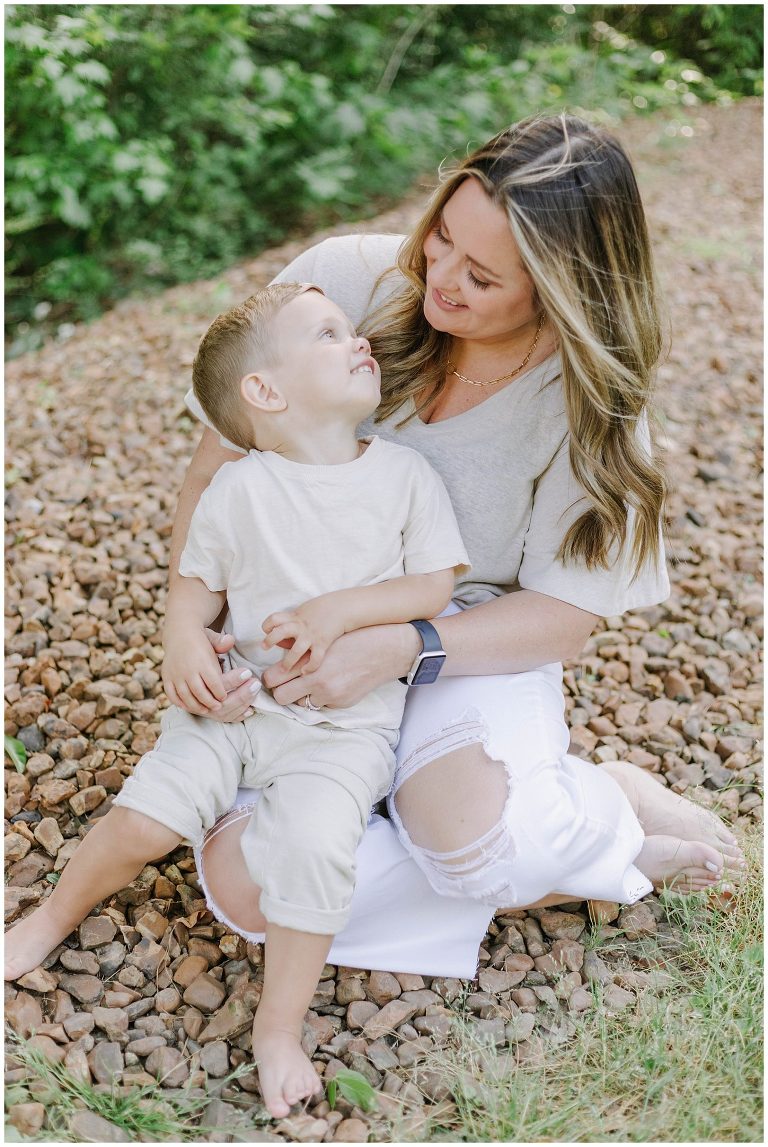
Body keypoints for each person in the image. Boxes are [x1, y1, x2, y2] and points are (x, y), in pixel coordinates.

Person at [179, 114, 745, 975]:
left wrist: (401, 647)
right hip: (290, 635)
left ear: (561, 291)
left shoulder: (595, 404)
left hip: (458, 641)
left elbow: (562, 615)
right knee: (248, 888)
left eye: (480, 276)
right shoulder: (340, 284)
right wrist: (187, 629)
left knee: (484, 848)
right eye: (442, 235)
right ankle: (558, 846)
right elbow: (215, 470)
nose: (438, 277)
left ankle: (600, 809)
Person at [4, 282, 470, 1118]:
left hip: (342, 726)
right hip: (234, 703)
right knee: (147, 819)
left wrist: (340, 611)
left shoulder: (404, 476)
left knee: (316, 849)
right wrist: (185, 642)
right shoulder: (240, 489)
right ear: (265, 391)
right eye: (327, 333)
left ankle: (278, 1027)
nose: (358, 340)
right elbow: (196, 584)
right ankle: (52, 916)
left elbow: (434, 583)